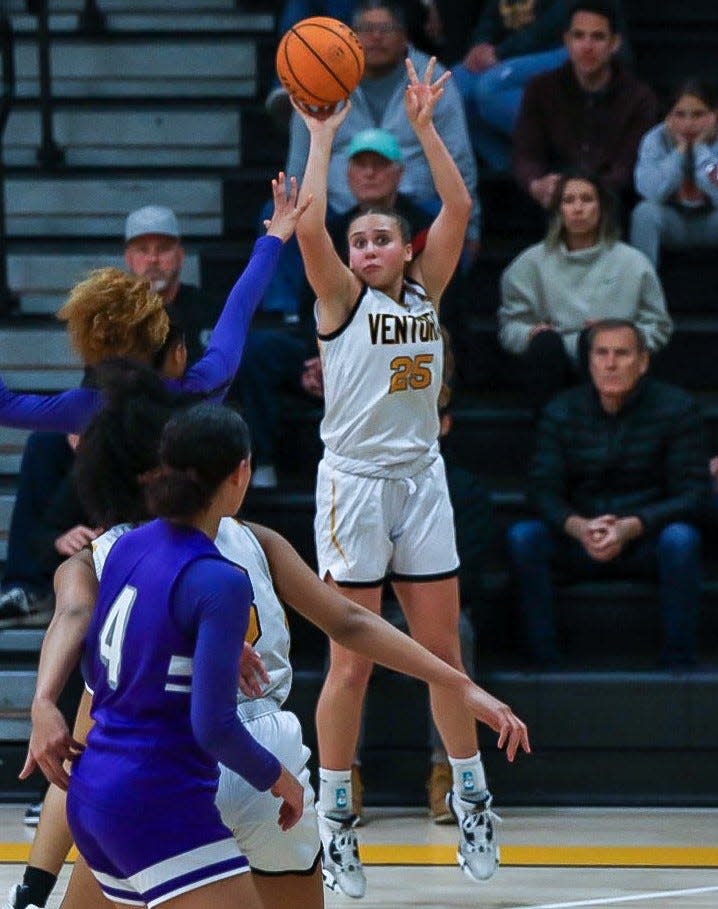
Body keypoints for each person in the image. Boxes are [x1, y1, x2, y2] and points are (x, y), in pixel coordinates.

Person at [12, 362, 530, 909]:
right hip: (230, 751)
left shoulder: (117, 552)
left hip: (125, 766)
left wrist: (47, 700)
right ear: (241, 472)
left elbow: (83, 623)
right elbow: (349, 623)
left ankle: (31, 894)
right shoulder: (247, 550)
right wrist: (460, 684)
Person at [292, 56, 502, 896]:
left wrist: (423, 129)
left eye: (382, 237)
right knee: (354, 663)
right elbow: (308, 225)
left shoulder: (428, 293)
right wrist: (320, 134)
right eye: (359, 240)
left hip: (422, 480)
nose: (370, 247)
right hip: (353, 486)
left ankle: (474, 796)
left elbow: (460, 204)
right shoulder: (341, 302)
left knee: (442, 652)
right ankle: (335, 820)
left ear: (404, 247)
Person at [66, 401, 306, 909]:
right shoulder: (221, 578)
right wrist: (279, 777)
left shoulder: (126, 548)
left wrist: (205, 644)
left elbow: (108, 662)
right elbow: (213, 725)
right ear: (241, 473)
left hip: (94, 788)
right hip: (157, 793)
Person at [0, 173, 307, 435]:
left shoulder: (88, 406)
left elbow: (6, 406)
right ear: (174, 353)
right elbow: (239, 306)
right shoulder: (199, 391)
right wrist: (274, 238)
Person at [238, 127, 434, 489]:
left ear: (400, 173)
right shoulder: (336, 226)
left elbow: (428, 311)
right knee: (261, 351)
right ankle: (260, 463)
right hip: (330, 341)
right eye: (361, 165)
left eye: (380, 164)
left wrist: (340, 357)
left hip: (397, 347)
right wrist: (320, 357)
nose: (370, 173)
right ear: (348, 174)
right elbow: (308, 301)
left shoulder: (422, 229)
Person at [507, 319, 707, 669]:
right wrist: (579, 527)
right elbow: (540, 490)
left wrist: (633, 525)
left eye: (622, 353)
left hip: (645, 536)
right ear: (589, 361)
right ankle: (543, 662)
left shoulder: (676, 409)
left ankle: (679, 663)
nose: (610, 363)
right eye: (601, 353)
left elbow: (693, 494)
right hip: (579, 536)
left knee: (682, 540)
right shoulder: (561, 409)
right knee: (525, 538)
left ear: (643, 361)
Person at [285, 0, 480, 251]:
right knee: (279, 220)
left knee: (451, 224)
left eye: (386, 29)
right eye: (366, 29)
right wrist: (292, 212)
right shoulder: (321, 81)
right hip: (335, 207)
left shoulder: (432, 79)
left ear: (404, 37)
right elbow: (298, 164)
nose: (376, 36)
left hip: (417, 206)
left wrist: (471, 225)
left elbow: (459, 158)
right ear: (349, 37)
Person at [498, 170, 673, 410]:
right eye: (568, 201)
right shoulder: (528, 264)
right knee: (545, 346)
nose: (578, 208)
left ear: (602, 208)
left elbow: (658, 326)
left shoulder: (633, 263)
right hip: (551, 363)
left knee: (594, 342)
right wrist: (530, 334)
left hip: (611, 365)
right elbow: (509, 327)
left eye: (587, 200)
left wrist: (621, 335)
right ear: (558, 211)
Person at [513, 0, 657, 211]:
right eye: (579, 36)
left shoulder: (639, 98)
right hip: (551, 206)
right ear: (566, 41)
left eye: (597, 37)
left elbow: (627, 167)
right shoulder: (540, 89)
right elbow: (526, 153)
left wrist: (582, 192)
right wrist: (536, 184)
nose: (587, 46)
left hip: (611, 207)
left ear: (615, 43)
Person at [630, 78, 718, 267]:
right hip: (674, 221)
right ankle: (644, 290)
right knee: (644, 213)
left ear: (714, 115)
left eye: (698, 114)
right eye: (680, 114)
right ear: (668, 117)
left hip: (713, 221)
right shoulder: (654, 140)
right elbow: (652, 193)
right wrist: (679, 152)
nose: (689, 123)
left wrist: (700, 149)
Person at [123, 204, 222, 367]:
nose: (153, 259)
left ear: (180, 256)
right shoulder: (113, 316)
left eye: (163, 249)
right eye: (143, 250)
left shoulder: (211, 312)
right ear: (129, 259)